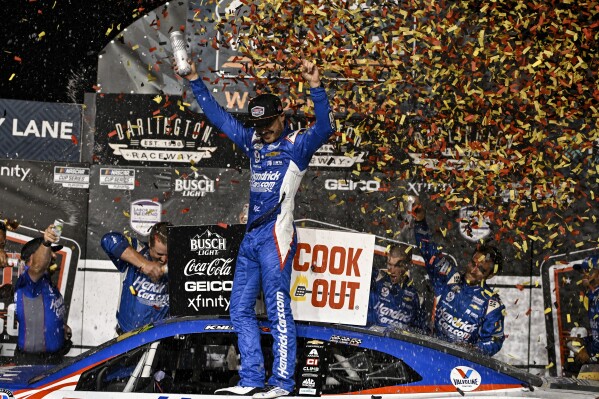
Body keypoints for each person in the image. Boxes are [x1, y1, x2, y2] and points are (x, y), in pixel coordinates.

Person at [176, 58, 334, 398]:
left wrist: (316, 87)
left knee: (278, 310)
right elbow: (219, 117)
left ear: (281, 117)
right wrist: (194, 80)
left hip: (277, 237)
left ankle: (281, 383)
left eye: (267, 126)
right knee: (239, 309)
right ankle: (250, 379)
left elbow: (325, 129)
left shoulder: (297, 145)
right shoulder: (253, 142)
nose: (262, 132)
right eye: (257, 126)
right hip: (251, 237)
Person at [412, 202, 505, 356]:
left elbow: (494, 341)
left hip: (459, 363)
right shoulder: (449, 276)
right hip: (431, 353)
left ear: (490, 275)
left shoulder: (492, 305)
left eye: (481, 269)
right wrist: (420, 221)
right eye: (473, 263)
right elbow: (428, 251)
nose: (474, 270)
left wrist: (473, 350)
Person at [14, 224, 72, 364]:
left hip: (52, 359)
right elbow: (38, 267)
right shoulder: (28, 281)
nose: (53, 256)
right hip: (33, 363)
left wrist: (60, 327)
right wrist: (46, 242)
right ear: (33, 258)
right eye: (49, 252)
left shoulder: (45, 281)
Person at [101, 222, 171, 334]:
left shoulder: (182, 260)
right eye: (159, 254)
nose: (164, 259)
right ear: (150, 244)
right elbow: (108, 240)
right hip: (126, 337)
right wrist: (144, 264)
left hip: (161, 340)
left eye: (169, 254)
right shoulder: (138, 250)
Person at [368, 244, 427, 332]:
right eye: (390, 265)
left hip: (395, 344)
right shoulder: (376, 278)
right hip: (371, 339)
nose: (392, 270)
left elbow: (419, 331)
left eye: (397, 266)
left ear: (408, 265)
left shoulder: (416, 296)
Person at [570, 255, 599, 366]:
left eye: (588, 271)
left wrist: (589, 350)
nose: (584, 275)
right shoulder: (592, 295)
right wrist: (584, 342)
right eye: (582, 271)